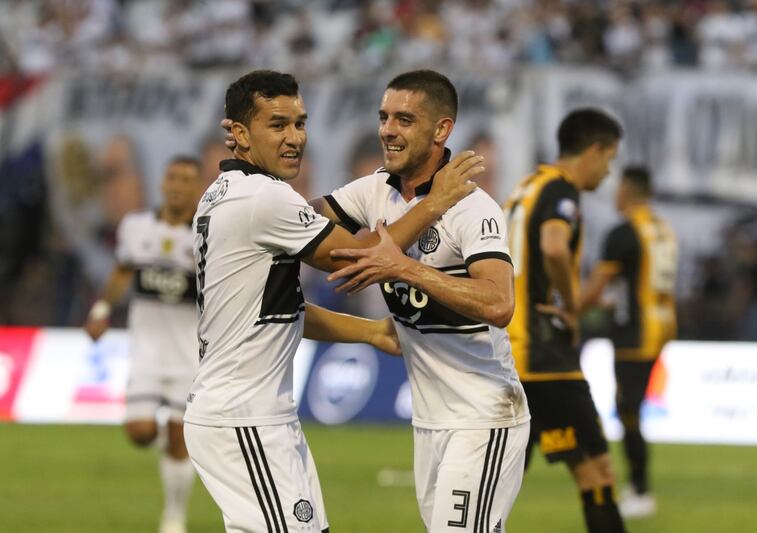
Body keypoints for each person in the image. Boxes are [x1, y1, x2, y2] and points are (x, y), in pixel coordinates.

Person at [186, 69, 483, 533]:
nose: (294, 138)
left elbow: (278, 313)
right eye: (277, 125)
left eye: (300, 123)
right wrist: (433, 204)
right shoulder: (263, 198)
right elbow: (360, 260)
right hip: (243, 415)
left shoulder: (221, 194)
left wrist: (371, 332)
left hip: (252, 414)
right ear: (240, 134)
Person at [316, 70, 531, 533]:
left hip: (484, 415)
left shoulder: (473, 207)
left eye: (405, 119)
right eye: (384, 117)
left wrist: (405, 268)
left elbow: (499, 304)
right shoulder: (374, 190)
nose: (388, 130)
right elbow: (304, 224)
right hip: (430, 421)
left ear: (441, 130)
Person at [503, 108, 627, 533]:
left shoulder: (525, 188)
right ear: (593, 151)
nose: (608, 172)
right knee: (598, 473)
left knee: (497, 482)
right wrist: (573, 306)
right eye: (609, 159)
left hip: (508, 348)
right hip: (543, 354)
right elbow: (554, 246)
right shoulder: (561, 191)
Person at [84, 156, 204, 533]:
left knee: (179, 438)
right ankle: (165, 449)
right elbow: (122, 271)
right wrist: (102, 309)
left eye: (186, 179)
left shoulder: (206, 235)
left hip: (188, 356)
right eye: (172, 177)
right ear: (163, 183)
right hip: (146, 353)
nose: (178, 185)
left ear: (197, 187)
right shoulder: (135, 227)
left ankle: (174, 517)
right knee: (140, 433)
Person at [580, 165, 678, 518]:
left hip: (635, 333)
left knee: (629, 410)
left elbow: (597, 286)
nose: (615, 193)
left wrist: (568, 310)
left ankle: (640, 489)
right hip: (661, 327)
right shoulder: (662, 229)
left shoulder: (624, 233)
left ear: (628, 190)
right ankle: (638, 487)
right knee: (629, 408)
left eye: (619, 186)